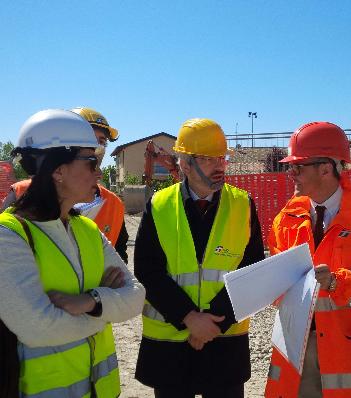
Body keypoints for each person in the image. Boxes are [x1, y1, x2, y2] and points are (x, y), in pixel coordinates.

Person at [0, 109, 145, 397]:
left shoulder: (87, 230)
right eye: (90, 161)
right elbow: (38, 329)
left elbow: (136, 297)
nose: (99, 171)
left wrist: (88, 301)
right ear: (57, 170)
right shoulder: (9, 236)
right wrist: (106, 308)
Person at [134, 118, 265, 398]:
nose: (219, 166)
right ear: (184, 164)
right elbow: (148, 270)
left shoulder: (242, 204)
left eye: (222, 158)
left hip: (225, 345)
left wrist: (212, 324)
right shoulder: (159, 205)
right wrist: (189, 317)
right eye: (208, 159)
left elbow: (251, 270)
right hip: (170, 346)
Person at [265, 121, 351, 398]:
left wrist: (337, 282)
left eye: (298, 167)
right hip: (298, 354)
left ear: (326, 168)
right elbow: (279, 288)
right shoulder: (285, 220)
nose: (291, 174)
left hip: (350, 356)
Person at [1, 107, 129, 263]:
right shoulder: (21, 194)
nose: (95, 149)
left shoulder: (113, 204)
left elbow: (122, 266)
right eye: (88, 139)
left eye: (101, 142)